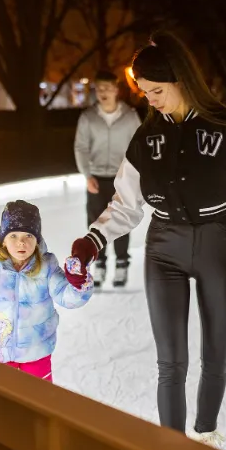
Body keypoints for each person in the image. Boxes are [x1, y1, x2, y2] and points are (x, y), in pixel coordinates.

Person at [66, 31, 226, 446]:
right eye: (143, 92)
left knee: (215, 354)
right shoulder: (146, 137)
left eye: (156, 90)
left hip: (217, 243)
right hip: (164, 247)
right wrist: (91, 243)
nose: (149, 100)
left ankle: (207, 433)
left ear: (181, 80)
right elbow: (125, 204)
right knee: (170, 361)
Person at [0, 200, 94, 383]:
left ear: (36, 240)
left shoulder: (46, 266)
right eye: (13, 235)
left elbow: (67, 297)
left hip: (36, 353)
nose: (21, 242)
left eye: (28, 235)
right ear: (3, 240)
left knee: (39, 402)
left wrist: (78, 282)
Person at [74, 70, 142, 288]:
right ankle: (100, 263)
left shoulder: (130, 116)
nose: (103, 92)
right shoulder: (88, 117)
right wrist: (87, 175)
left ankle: (122, 263)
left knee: (120, 219)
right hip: (96, 178)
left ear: (116, 89)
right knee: (96, 221)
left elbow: (138, 146)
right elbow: (81, 147)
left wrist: (134, 176)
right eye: (99, 88)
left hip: (121, 179)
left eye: (107, 88)